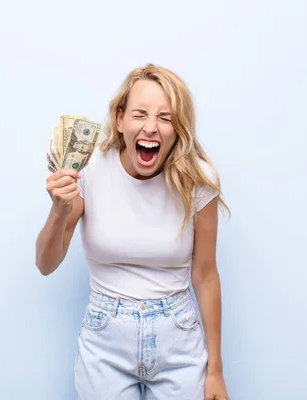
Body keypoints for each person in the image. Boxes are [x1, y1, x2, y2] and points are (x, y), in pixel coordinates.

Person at [35, 64, 230, 400]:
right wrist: (58, 209)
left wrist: (215, 371)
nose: (151, 128)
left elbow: (206, 275)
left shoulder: (197, 178)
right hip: (105, 341)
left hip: (178, 342)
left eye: (166, 117)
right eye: (140, 114)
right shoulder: (89, 169)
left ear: (178, 127)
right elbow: (46, 263)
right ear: (120, 120)